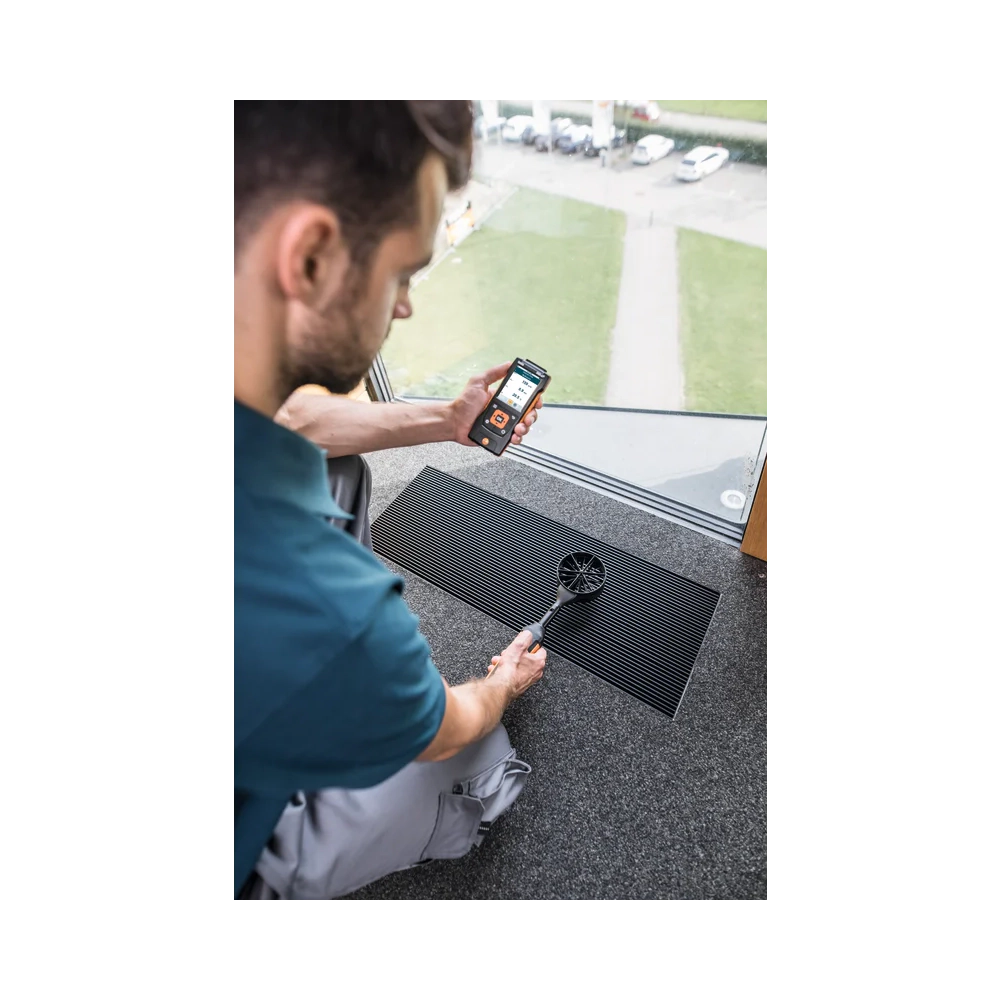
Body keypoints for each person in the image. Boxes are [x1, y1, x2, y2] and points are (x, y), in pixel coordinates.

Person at [233, 97, 548, 902]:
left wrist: (447, 420)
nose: (403, 306)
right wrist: (501, 686)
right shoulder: (323, 603)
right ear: (310, 258)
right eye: (401, 274)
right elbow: (442, 725)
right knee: (474, 758)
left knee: (341, 468)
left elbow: (296, 420)